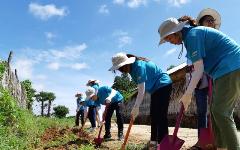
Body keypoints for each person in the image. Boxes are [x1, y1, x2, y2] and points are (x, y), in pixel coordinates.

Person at [158, 16, 240, 150]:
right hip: (222, 71)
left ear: (176, 31)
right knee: (215, 112)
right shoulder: (191, 35)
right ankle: (221, 147)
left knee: (221, 112)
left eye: (169, 38)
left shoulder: (192, 35)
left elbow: (199, 69)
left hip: (231, 66)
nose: (170, 42)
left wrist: (188, 94)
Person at [109, 52, 172, 149]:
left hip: (163, 84)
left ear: (126, 64)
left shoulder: (138, 66)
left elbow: (141, 89)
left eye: (121, 68)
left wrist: (136, 107)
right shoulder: (132, 68)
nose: (121, 71)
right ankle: (153, 142)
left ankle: (163, 144)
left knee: (161, 116)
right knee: (154, 115)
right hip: (155, 89)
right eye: (119, 69)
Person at [178, 8, 221, 149]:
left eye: (212, 21)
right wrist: (188, 83)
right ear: (201, 22)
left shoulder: (211, 38)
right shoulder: (193, 38)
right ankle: (201, 141)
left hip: (212, 76)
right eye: (208, 20)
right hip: (197, 81)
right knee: (202, 112)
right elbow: (190, 63)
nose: (211, 23)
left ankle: (216, 140)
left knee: (215, 110)